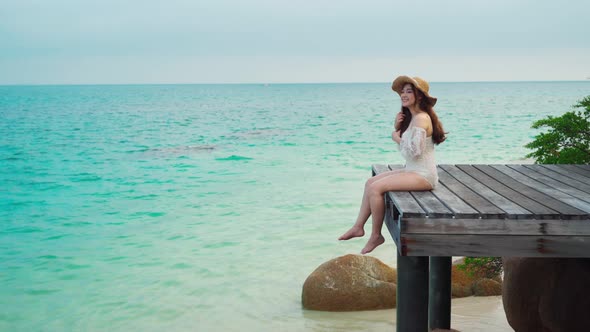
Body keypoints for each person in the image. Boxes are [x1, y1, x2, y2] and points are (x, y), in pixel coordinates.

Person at [338, 76, 447, 254]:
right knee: (370, 183)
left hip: (424, 176)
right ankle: (358, 227)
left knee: (376, 189)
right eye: (402, 92)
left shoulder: (421, 119)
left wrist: (396, 136)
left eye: (408, 91)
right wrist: (397, 127)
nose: (403, 95)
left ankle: (376, 235)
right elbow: (410, 147)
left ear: (419, 96)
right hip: (413, 170)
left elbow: (415, 151)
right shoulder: (413, 117)